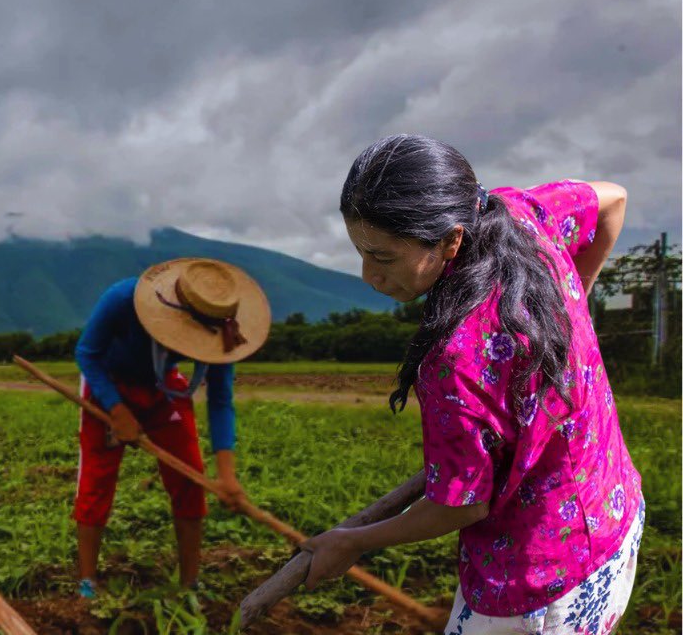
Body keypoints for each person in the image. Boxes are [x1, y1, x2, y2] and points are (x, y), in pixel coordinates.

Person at [301, 135, 643, 634]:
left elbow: (459, 505)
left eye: (384, 258)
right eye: (360, 252)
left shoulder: (456, 359)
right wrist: (573, 309)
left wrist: (351, 542)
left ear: (451, 240)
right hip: (612, 512)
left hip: (539, 589)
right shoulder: (517, 212)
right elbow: (614, 198)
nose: (367, 275)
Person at [73, 257, 269, 598]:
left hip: (164, 387)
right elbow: (87, 354)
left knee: (191, 477)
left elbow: (220, 400)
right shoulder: (122, 300)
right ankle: (88, 580)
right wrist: (117, 410)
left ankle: (189, 582)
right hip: (108, 385)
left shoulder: (222, 330)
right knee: (96, 478)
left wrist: (227, 475)